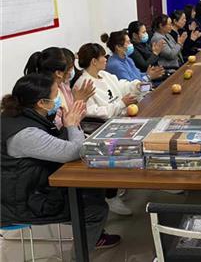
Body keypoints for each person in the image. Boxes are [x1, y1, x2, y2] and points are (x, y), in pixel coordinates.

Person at [1, 73, 120, 252]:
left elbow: (57, 143)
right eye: (56, 95)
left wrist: (68, 124)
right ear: (41, 103)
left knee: (93, 190)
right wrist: (72, 124)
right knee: (95, 210)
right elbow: (73, 151)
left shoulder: (21, 117)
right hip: (18, 204)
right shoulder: (25, 133)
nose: (59, 99)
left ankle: (92, 236)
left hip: (27, 188)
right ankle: (80, 254)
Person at [23, 47, 95, 129]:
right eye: (71, 67)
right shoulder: (46, 94)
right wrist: (77, 102)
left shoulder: (63, 85)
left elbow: (78, 118)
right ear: (58, 73)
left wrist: (80, 102)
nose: (73, 70)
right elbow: (60, 127)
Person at [73, 43, 141, 120]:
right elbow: (93, 112)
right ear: (94, 61)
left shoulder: (104, 74)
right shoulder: (83, 84)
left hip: (122, 116)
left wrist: (137, 86)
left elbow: (120, 86)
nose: (106, 59)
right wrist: (121, 104)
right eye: (103, 56)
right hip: (107, 123)